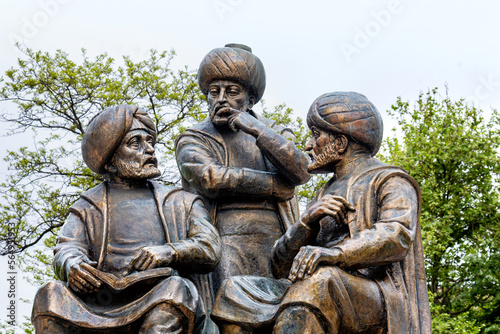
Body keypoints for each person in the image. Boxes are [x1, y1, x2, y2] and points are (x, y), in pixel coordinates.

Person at [211, 92, 432, 334]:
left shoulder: (390, 180)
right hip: (323, 283)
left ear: (340, 143)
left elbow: (395, 235)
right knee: (235, 291)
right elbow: (281, 268)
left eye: (316, 135)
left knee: (318, 284)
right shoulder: (322, 194)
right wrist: (306, 222)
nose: (308, 145)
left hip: (376, 293)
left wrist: (334, 254)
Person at [32, 105, 221, 334]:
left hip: (156, 293)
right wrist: (74, 267)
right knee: (50, 294)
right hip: (98, 301)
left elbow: (209, 247)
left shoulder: (181, 201)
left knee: (177, 290)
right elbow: (67, 248)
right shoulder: (88, 206)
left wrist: (169, 251)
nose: (149, 149)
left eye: (150, 141)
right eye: (135, 143)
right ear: (110, 162)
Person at [175, 43, 310, 306]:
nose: (221, 98)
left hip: (279, 241)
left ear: (250, 100)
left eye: (232, 91)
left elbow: (301, 171)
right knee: (231, 310)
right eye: (214, 92)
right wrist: (273, 185)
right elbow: (211, 178)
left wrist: (256, 129)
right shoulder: (194, 138)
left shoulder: (275, 132)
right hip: (224, 239)